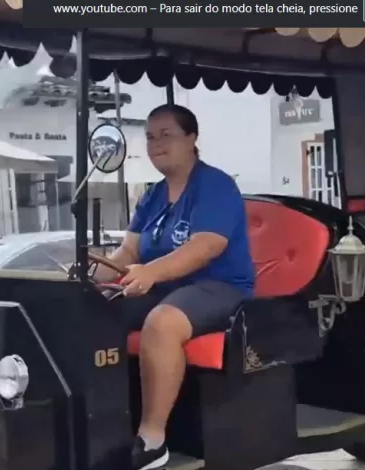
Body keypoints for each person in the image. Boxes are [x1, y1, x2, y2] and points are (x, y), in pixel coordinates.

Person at [93, 104, 255, 470]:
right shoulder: (152, 195)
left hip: (219, 287)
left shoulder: (215, 185)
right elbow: (129, 251)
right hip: (167, 287)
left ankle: (152, 439)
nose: (156, 144)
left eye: (166, 135)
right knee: (96, 311)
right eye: (150, 137)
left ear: (192, 138)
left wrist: (151, 272)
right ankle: (104, 424)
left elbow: (206, 246)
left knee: (162, 322)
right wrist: (92, 273)